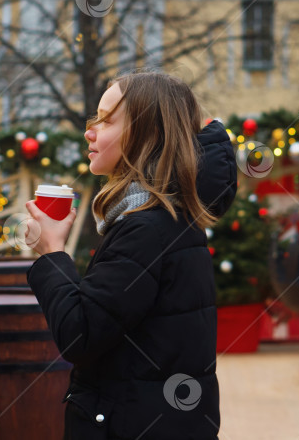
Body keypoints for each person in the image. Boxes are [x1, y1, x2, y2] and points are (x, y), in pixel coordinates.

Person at [24, 72, 237, 440]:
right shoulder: (162, 217)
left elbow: (81, 334)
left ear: (146, 136)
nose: (90, 131)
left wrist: (52, 253)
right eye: (94, 119)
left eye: (106, 120)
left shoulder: (147, 228)